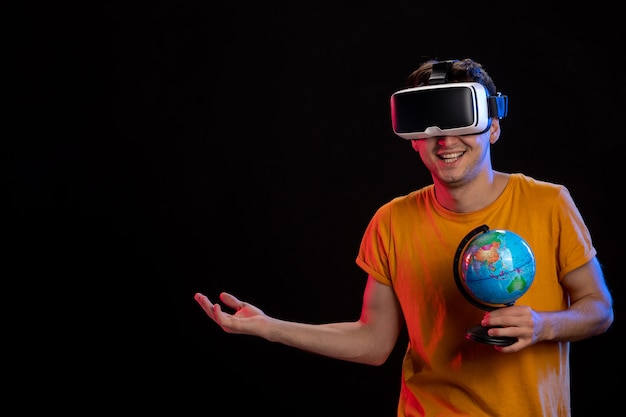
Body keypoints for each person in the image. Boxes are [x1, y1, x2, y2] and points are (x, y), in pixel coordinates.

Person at [194, 58, 614, 416]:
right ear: (414, 141)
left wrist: (543, 325)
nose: (445, 140)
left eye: (459, 121)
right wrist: (270, 328)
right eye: (429, 127)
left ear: (494, 128)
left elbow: (598, 308)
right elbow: (374, 342)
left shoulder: (549, 203)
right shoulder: (392, 221)